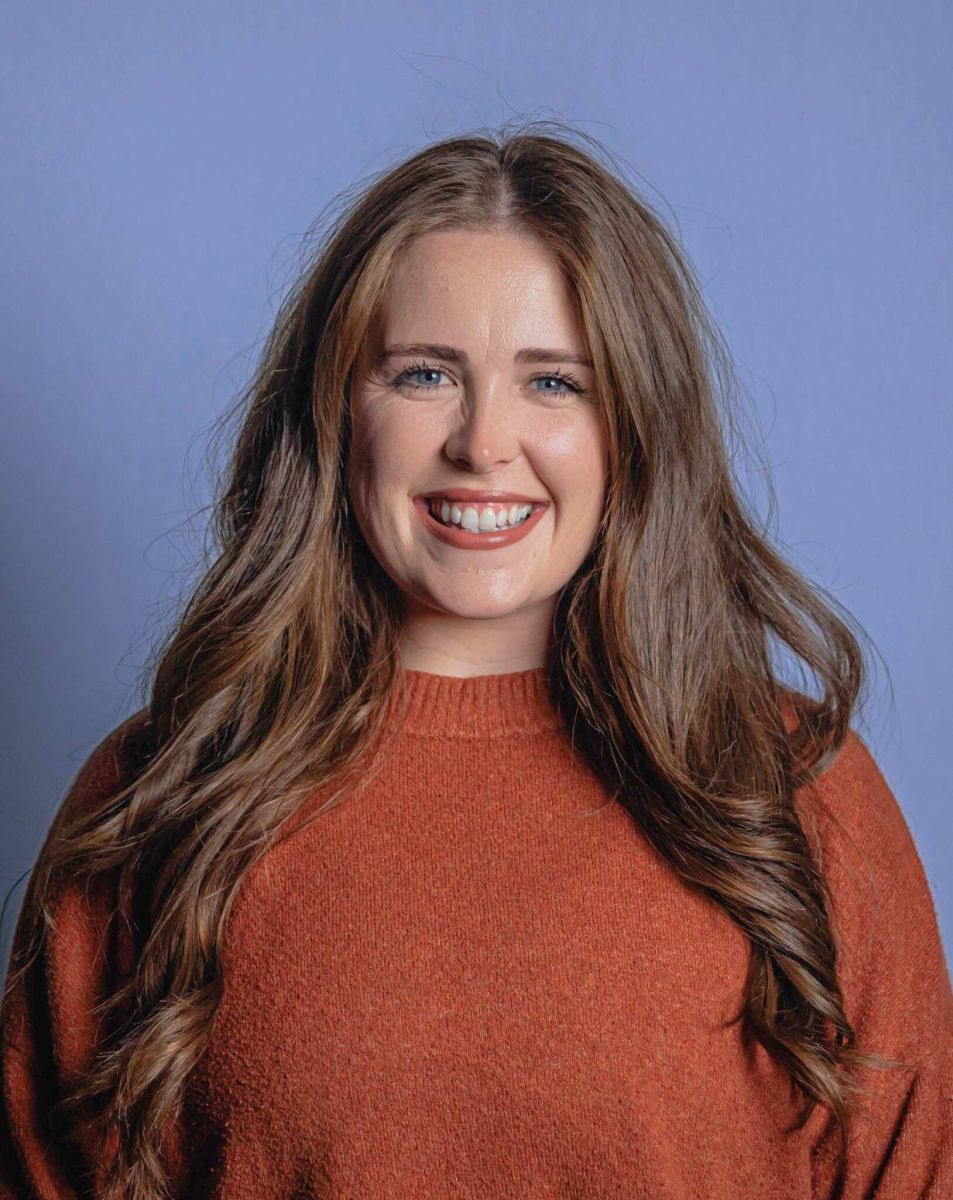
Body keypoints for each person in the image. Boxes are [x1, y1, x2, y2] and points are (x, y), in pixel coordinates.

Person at [1, 120, 950, 1200]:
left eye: (554, 383)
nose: (483, 442)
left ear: (636, 425)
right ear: (336, 412)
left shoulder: (791, 791)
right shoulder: (163, 792)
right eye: (423, 374)